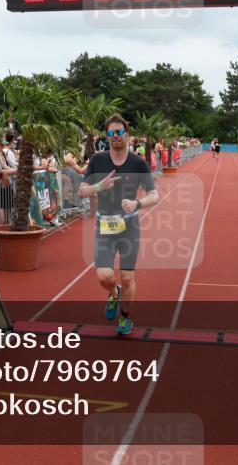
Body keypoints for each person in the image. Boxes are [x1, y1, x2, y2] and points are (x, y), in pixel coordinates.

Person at [78, 115, 160, 336]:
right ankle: (114, 293)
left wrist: (137, 203)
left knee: (127, 276)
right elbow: (82, 191)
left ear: (127, 135)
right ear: (107, 136)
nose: (116, 136)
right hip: (104, 226)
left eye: (120, 132)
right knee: (104, 276)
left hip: (129, 227)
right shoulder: (97, 160)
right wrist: (99, 185)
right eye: (112, 133)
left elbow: (154, 195)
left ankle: (125, 318)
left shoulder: (138, 163)